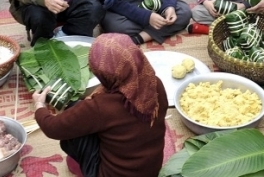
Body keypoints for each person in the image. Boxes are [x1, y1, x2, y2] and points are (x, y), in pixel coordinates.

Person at [32, 33, 168, 177]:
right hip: (151, 170)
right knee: (82, 115)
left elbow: (52, 128)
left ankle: (82, 167)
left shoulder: (100, 107)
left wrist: (39, 105)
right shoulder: (155, 83)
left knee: (72, 119)